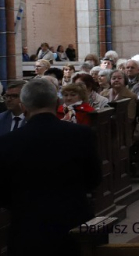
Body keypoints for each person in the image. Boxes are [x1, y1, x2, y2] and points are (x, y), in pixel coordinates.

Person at [0, 78, 101, 256]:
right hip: (74, 223)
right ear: (56, 102)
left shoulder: (8, 142)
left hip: (27, 228)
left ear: (23, 106)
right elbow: (94, 179)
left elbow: (3, 193)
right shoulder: (81, 134)